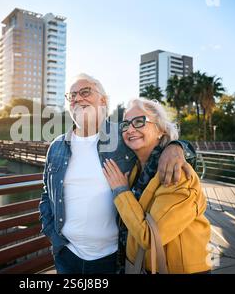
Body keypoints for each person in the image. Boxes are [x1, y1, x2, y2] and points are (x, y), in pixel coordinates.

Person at [39, 73, 197, 274]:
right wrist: (51, 232)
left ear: (103, 100)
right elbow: (46, 192)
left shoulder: (123, 136)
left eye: (85, 92)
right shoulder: (57, 146)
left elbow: (156, 142)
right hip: (67, 255)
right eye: (72, 96)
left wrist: (177, 147)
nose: (77, 98)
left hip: (113, 256)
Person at [102, 98, 211, 274]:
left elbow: (151, 238)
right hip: (140, 266)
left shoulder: (177, 172)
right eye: (126, 124)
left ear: (160, 129)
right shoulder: (136, 170)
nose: (130, 129)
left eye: (139, 121)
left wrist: (121, 191)